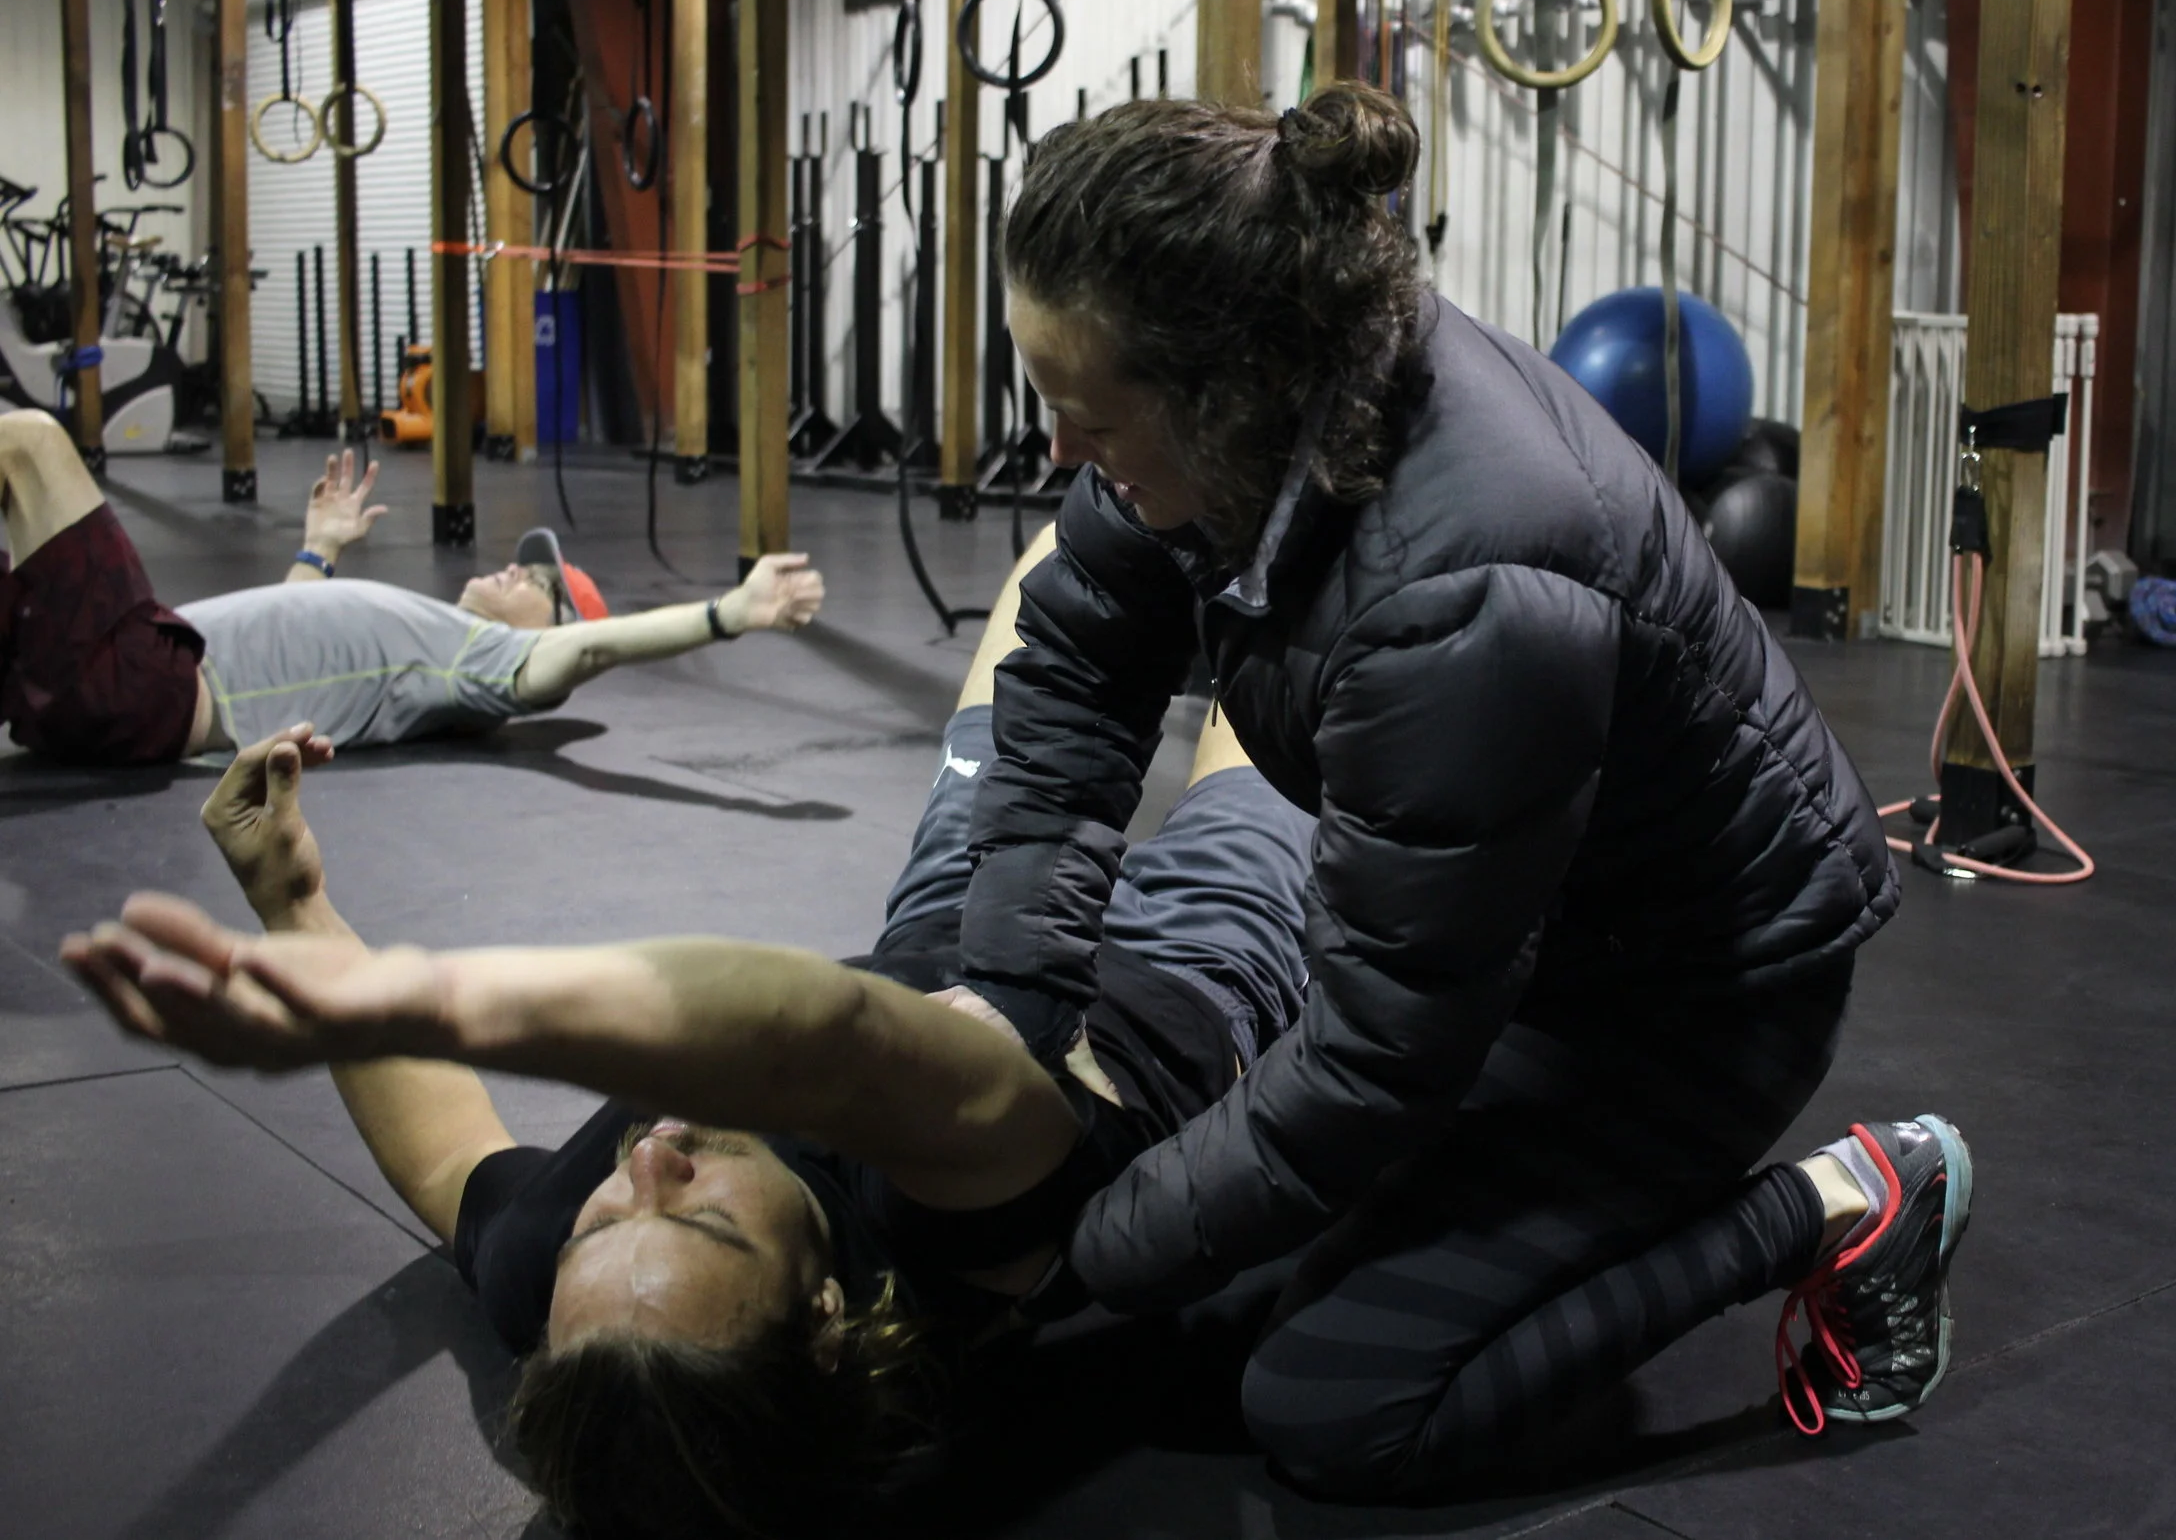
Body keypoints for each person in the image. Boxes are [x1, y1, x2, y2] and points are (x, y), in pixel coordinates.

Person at [966, 81, 1968, 1496]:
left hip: (1690, 1002)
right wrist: (1010, 1007)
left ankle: (1848, 1199)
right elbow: (1075, 666)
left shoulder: (1467, 584)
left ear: (1221, 387)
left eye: (1088, 418)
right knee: (1211, 1252)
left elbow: (1377, 1059)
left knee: (1337, 1403)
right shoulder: (1238, 412)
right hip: (1516, 935)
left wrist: (1074, 1250)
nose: (1062, 454)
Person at [59, 528, 1321, 1540]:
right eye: (699, 1213)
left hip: (948, 918)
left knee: (1073, 550)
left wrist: (294, 904)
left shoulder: (598, 1305)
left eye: (600, 1221)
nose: (645, 1157)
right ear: (823, 1312)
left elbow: (450, 1165)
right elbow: (826, 1034)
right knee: (1282, 678)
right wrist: (444, 998)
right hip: (1182, 971)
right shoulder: (955, 1224)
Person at [0, 410, 823, 764]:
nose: (515, 568)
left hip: (146, 681)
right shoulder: (427, 632)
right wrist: (318, 552)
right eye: (525, 560)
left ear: (545, 633)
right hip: (133, 678)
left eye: (538, 581)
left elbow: (591, 648)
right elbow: (282, 641)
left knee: (30, 444)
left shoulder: (483, 660)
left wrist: (728, 613)